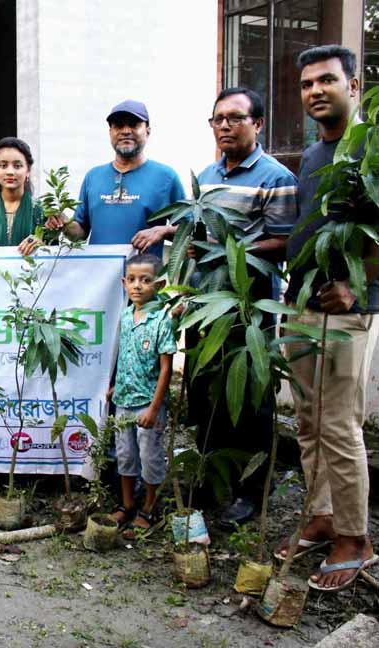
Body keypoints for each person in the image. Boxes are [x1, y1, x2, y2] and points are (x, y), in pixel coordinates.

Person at [278, 45, 379, 592]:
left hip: (347, 310)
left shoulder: (371, 150)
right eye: (307, 84)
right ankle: (321, 516)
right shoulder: (315, 156)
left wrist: (356, 280)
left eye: (327, 80)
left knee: (340, 425)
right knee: (309, 421)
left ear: (354, 85)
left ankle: (356, 539)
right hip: (302, 304)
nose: (315, 90)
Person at [190, 87, 299, 527]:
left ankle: (253, 489)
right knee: (206, 393)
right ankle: (213, 475)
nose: (224, 126)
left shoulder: (275, 177)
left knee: (250, 397)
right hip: (205, 302)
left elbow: (286, 239)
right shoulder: (208, 173)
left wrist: (231, 251)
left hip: (248, 306)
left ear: (258, 124)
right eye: (217, 119)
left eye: (235, 118)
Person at [58, 100, 185, 257]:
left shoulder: (166, 178)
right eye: (118, 126)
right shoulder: (93, 177)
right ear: (110, 132)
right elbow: (80, 234)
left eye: (133, 124)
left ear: (148, 131)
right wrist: (62, 222)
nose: (125, 131)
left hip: (143, 278)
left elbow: (188, 231)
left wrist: (163, 231)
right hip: (99, 278)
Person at [107, 254, 176, 538]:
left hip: (147, 404)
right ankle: (126, 504)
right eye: (132, 280)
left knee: (150, 457)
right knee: (125, 455)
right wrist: (115, 384)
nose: (137, 286)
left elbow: (166, 368)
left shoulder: (162, 320)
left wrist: (154, 407)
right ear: (124, 283)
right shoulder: (125, 315)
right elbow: (123, 354)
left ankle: (149, 507)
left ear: (158, 284)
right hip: (123, 400)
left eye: (145, 280)